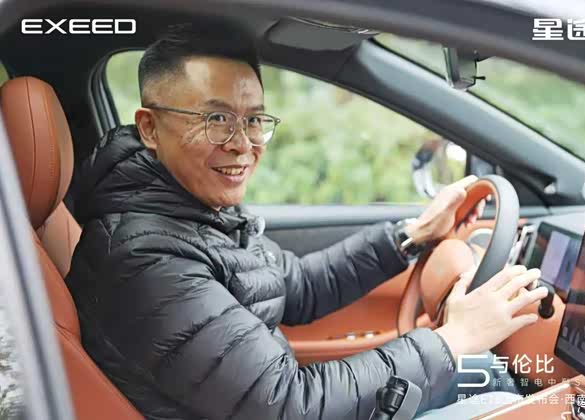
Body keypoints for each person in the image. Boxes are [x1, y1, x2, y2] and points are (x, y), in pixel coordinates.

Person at [65, 24, 548, 420]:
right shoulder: (144, 258)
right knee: (508, 403)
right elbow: (291, 404)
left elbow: (295, 287)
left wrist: (411, 237)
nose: (242, 144)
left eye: (254, 120)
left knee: (485, 376)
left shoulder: (195, 209)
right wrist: (453, 338)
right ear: (149, 128)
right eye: (216, 120)